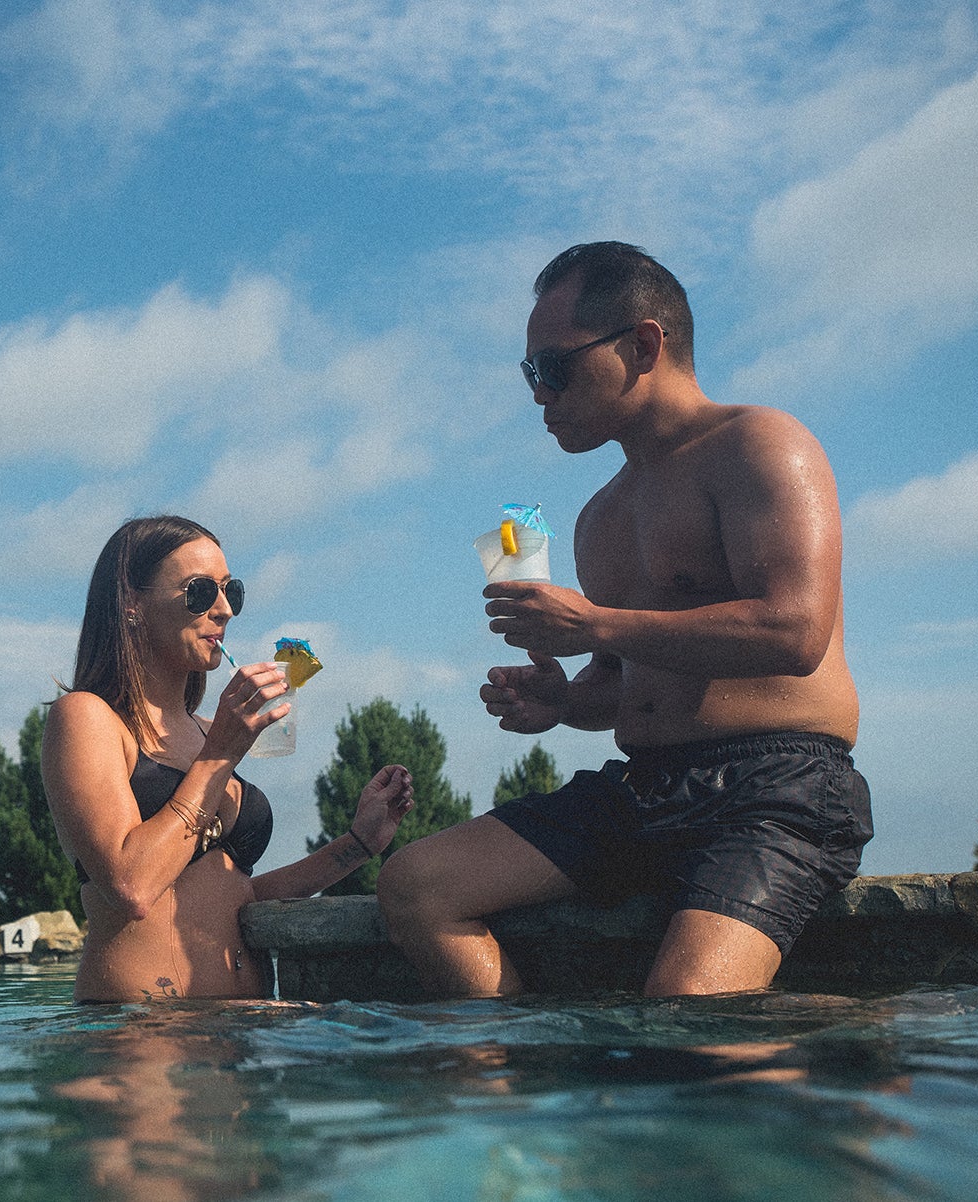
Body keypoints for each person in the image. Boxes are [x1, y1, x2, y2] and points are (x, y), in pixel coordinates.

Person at [378, 241, 872, 998]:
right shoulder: (599, 516)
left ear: (643, 344)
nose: (538, 394)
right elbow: (624, 683)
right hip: (645, 788)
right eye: (528, 373)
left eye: (552, 367)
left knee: (684, 1016)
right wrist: (564, 701)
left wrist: (597, 626)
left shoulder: (761, 444)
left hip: (778, 787)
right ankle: (527, 1090)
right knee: (417, 884)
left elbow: (795, 632)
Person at [43, 514, 416, 1002]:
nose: (224, 611)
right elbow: (132, 886)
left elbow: (237, 898)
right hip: (139, 1040)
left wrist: (356, 844)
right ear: (131, 602)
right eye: (200, 591)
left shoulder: (205, 732)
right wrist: (219, 755)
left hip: (239, 1034)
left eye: (230, 591)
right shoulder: (88, 718)